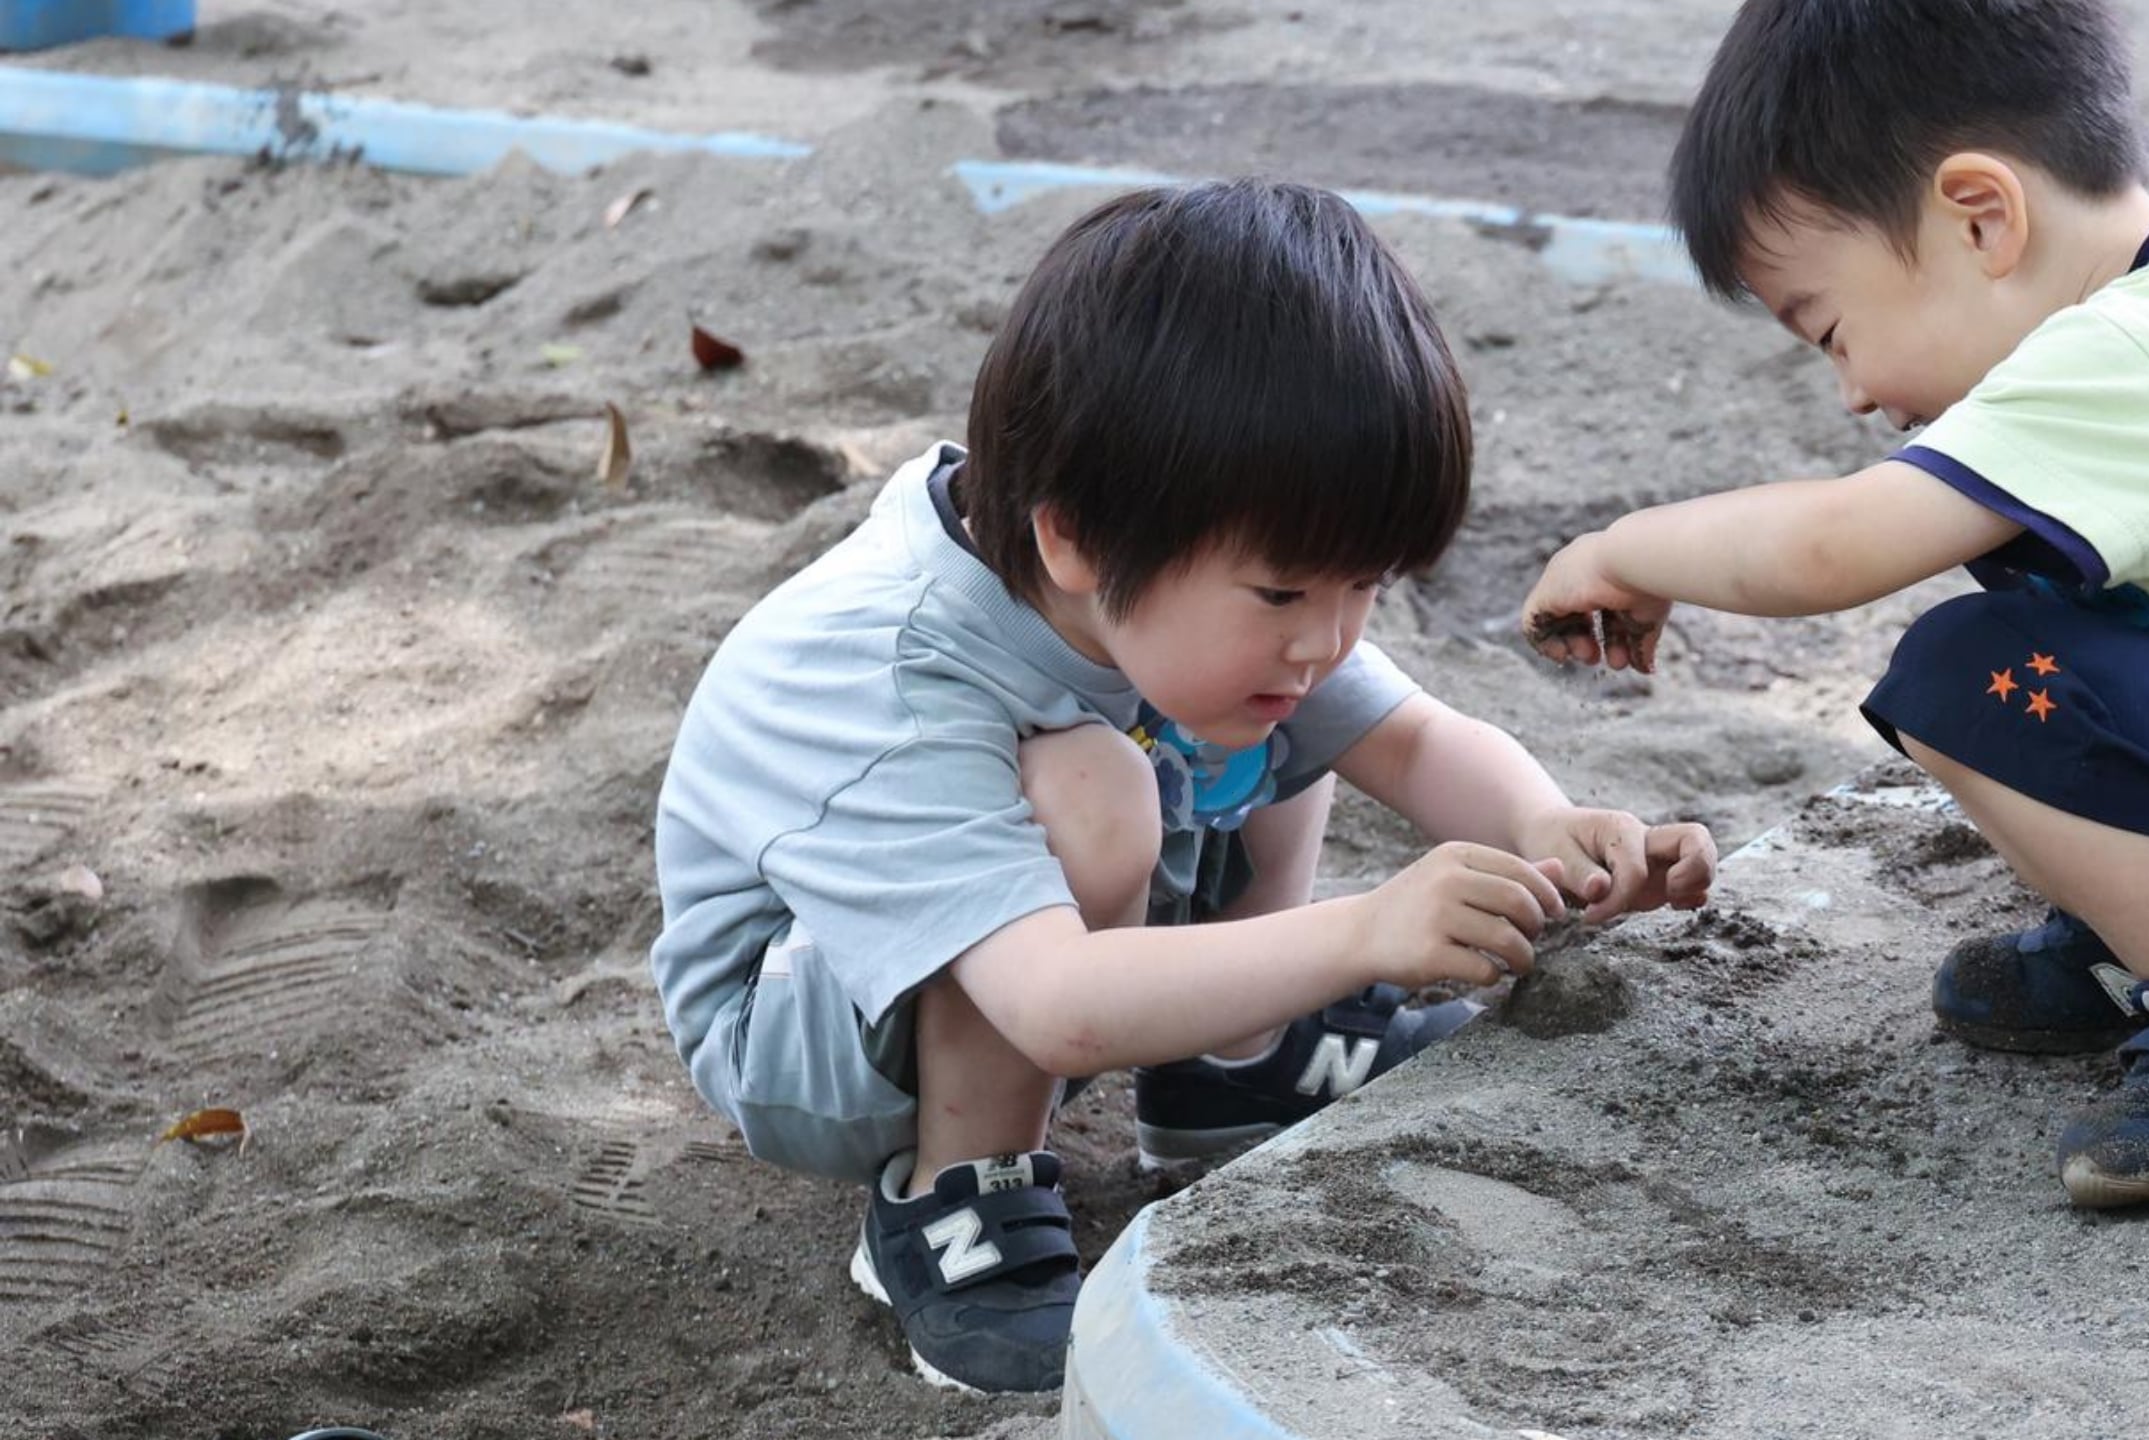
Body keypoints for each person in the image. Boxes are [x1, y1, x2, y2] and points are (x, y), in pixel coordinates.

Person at [652, 180, 1716, 1394]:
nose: (1328, 632)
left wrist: (1550, 826)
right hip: (803, 1029)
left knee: (1265, 703)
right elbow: (1055, 1006)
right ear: (1072, 538)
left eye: (1362, 585)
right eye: (1286, 591)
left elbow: (1409, 739)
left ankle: (1231, 1061)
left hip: (1020, 954)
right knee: (1103, 784)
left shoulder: (1159, 563)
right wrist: (1365, 932)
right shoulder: (898, 671)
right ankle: (954, 1199)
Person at [1521, 0, 2149, 1209]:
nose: (1849, 393)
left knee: (1970, 672)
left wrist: (1624, 548)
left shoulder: (2126, 359)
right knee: (2058, 619)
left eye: (1829, 329)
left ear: (1981, 217)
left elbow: (1828, 549)